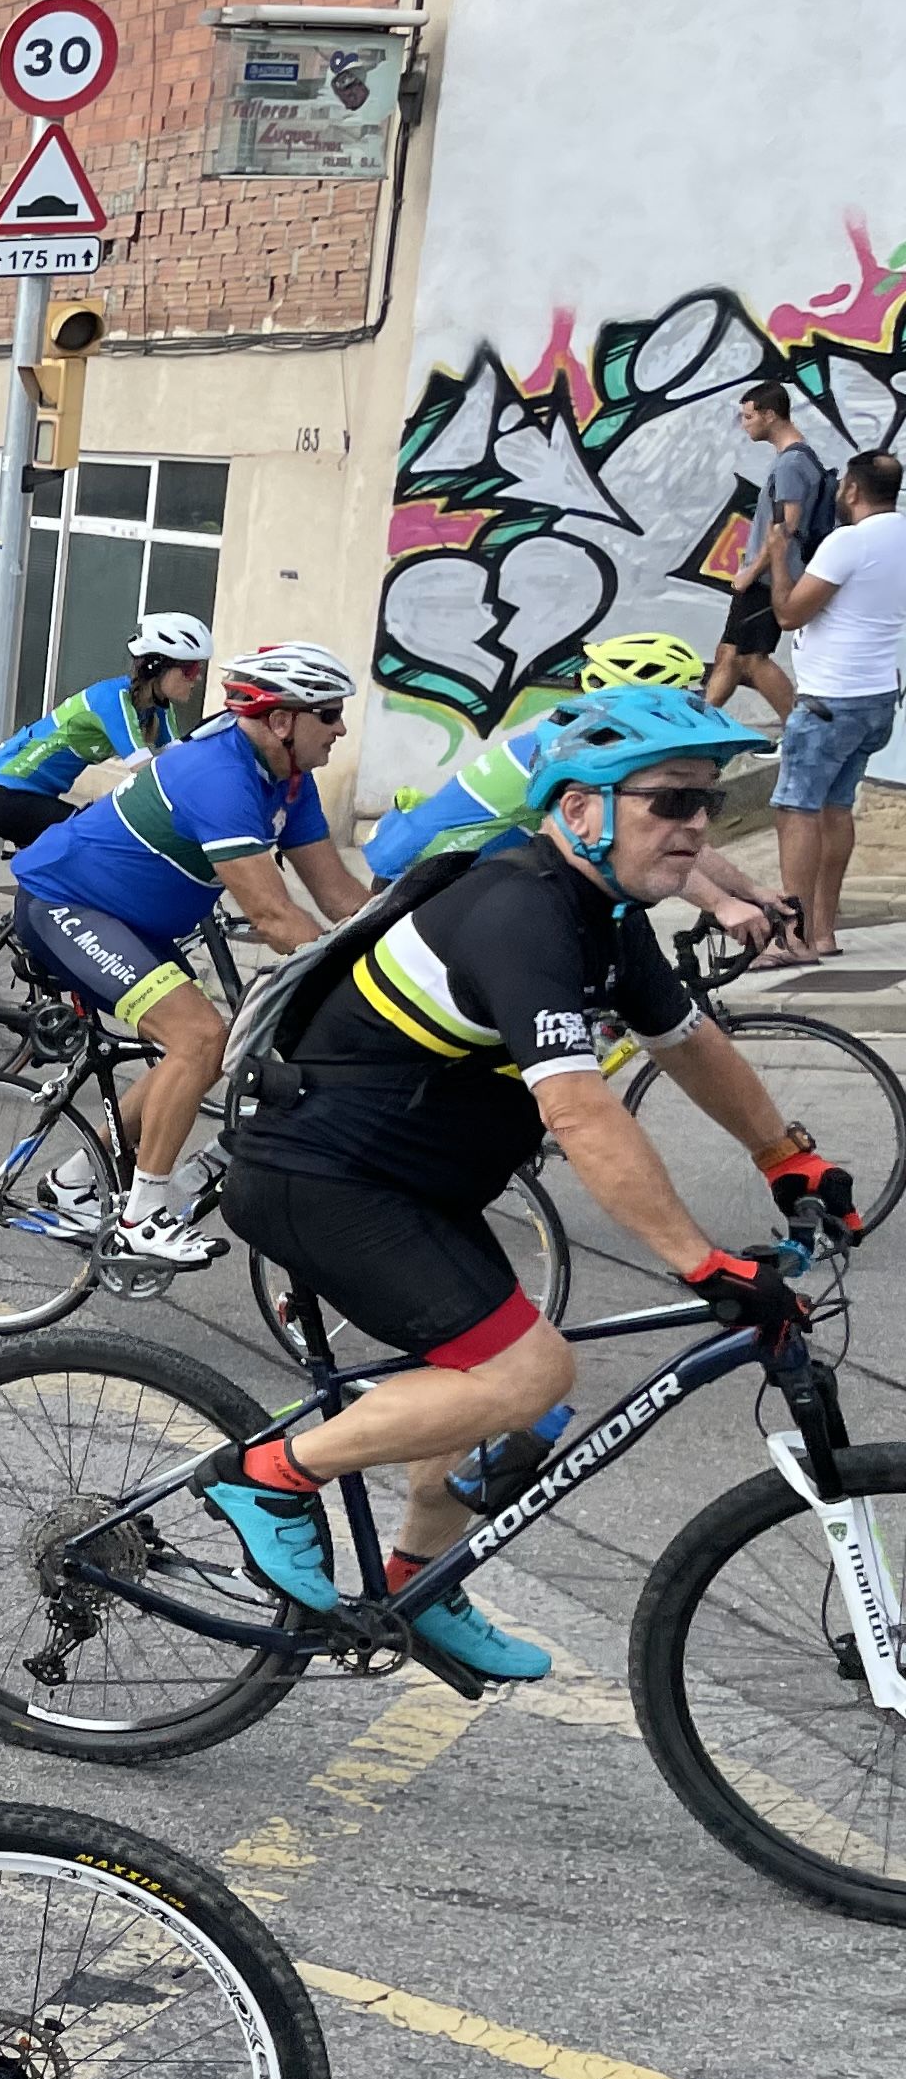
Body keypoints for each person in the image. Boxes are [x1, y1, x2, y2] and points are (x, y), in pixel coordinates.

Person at [210, 686, 856, 1682]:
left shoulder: (608, 915)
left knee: (516, 1396)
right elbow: (581, 1112)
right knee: (528, 1375)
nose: (694, 829)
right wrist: (702, 1263)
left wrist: (785, 1156)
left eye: (706, 806)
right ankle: (267, 1480)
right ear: (581, 810)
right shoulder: (520, 913)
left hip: (410, 1184)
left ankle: (416, 1587)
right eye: (668, 802)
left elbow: (690, 1046)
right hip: (319, 1174)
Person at [8, 639, 373, 1265]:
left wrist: (414, 952)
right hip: (65, 903)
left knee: (216, 1044)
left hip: (135, 921)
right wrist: (362, 988)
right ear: (282, 721)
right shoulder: (218, 776)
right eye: (329, 712)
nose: (340, 728)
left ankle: (73, 1182)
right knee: (198, 1039)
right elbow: (272, 914)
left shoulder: (288, 780)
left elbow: (341, 898)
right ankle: (141, 1217)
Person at [360, 633, 788, 957]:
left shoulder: (576, 744)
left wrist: (749, 890)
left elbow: (670, 832)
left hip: (470, 876)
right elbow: (633, 843)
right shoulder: (563, 757)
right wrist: (722, 904)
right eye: (678, 697)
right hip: (425, 882)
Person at [768, 449, 906, 962]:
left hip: (831, 699)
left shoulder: (847, 542)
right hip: (876, 696)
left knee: (796, 808)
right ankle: (824, 932)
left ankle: (795, 938)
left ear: (851, 489)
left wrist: (779, 556)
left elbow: (788, 613)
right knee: (835, 807)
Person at [0, 615, 214, 849]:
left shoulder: (157, 707)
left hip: (34, 796)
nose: (198, 677)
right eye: (190, 669)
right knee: (100, 840)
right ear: (157, 667)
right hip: (5, 797)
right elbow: (147, 773)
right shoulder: (114, 699)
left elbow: (178, 761)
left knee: (87, 848)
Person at [708, 382, 830, 726]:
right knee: (729, 653)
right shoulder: (798, 459)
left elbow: (785, 527)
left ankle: (799, 729)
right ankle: (699, 729)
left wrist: (752, 571)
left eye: (748, 416)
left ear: (770, 415)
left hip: (767, 578)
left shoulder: (791, 464)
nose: (744, 423)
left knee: (751, 658)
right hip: (765, 575)